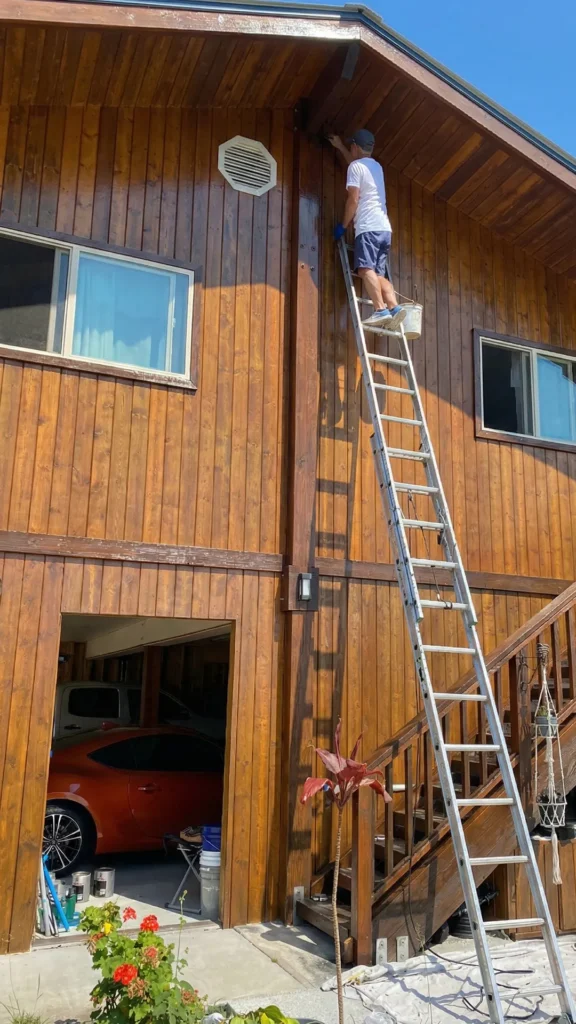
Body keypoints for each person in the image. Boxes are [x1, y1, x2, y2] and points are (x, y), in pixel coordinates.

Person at [330, 129, 405, 330]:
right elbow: (356, 165)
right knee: (379, 275)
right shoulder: (376, 167)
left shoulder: (355, 167)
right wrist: (340, 147)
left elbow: (353, 199)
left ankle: (380, 310)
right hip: (384, 229)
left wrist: (343, 226)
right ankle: (394, 308)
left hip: (368, 227)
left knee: (364, 269)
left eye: (350, 147)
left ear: (354, 147)